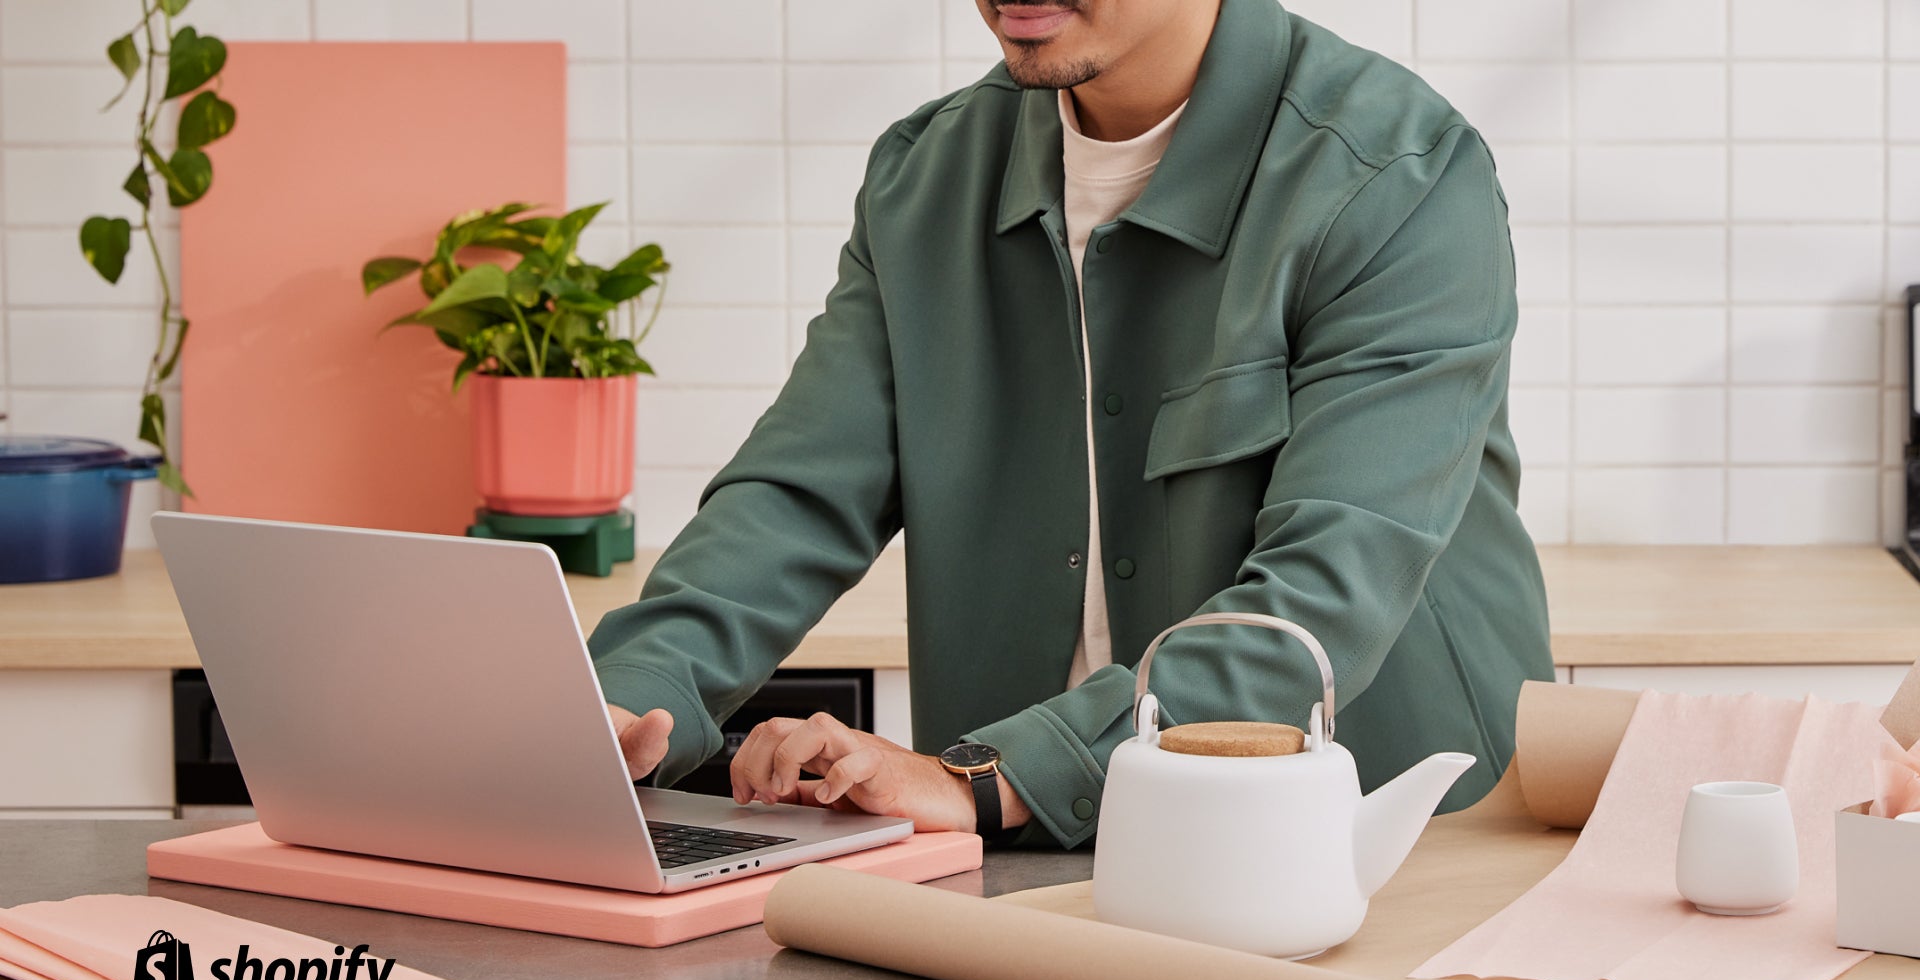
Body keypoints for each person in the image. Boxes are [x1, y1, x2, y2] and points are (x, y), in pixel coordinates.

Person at [589, 0, 1553, 849]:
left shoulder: (1395, 174)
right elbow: (795, 499)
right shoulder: (924, 178)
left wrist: (987, 777)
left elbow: (1324, 592)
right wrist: (629, 694)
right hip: (1036, 846)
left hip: (1389, 847)